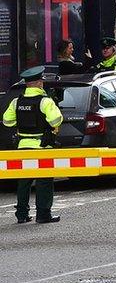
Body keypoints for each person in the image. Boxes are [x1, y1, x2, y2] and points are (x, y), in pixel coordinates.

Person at [3, 67, 64, 224]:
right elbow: (55, 121)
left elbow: (7, 121)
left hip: (23, 146)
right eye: (42, 81)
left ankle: (22, 214)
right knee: (44, 181)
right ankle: (43, 214)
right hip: (42, 147)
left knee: (23, 182)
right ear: (39, 83)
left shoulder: (17, 101)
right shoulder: (45, 101)